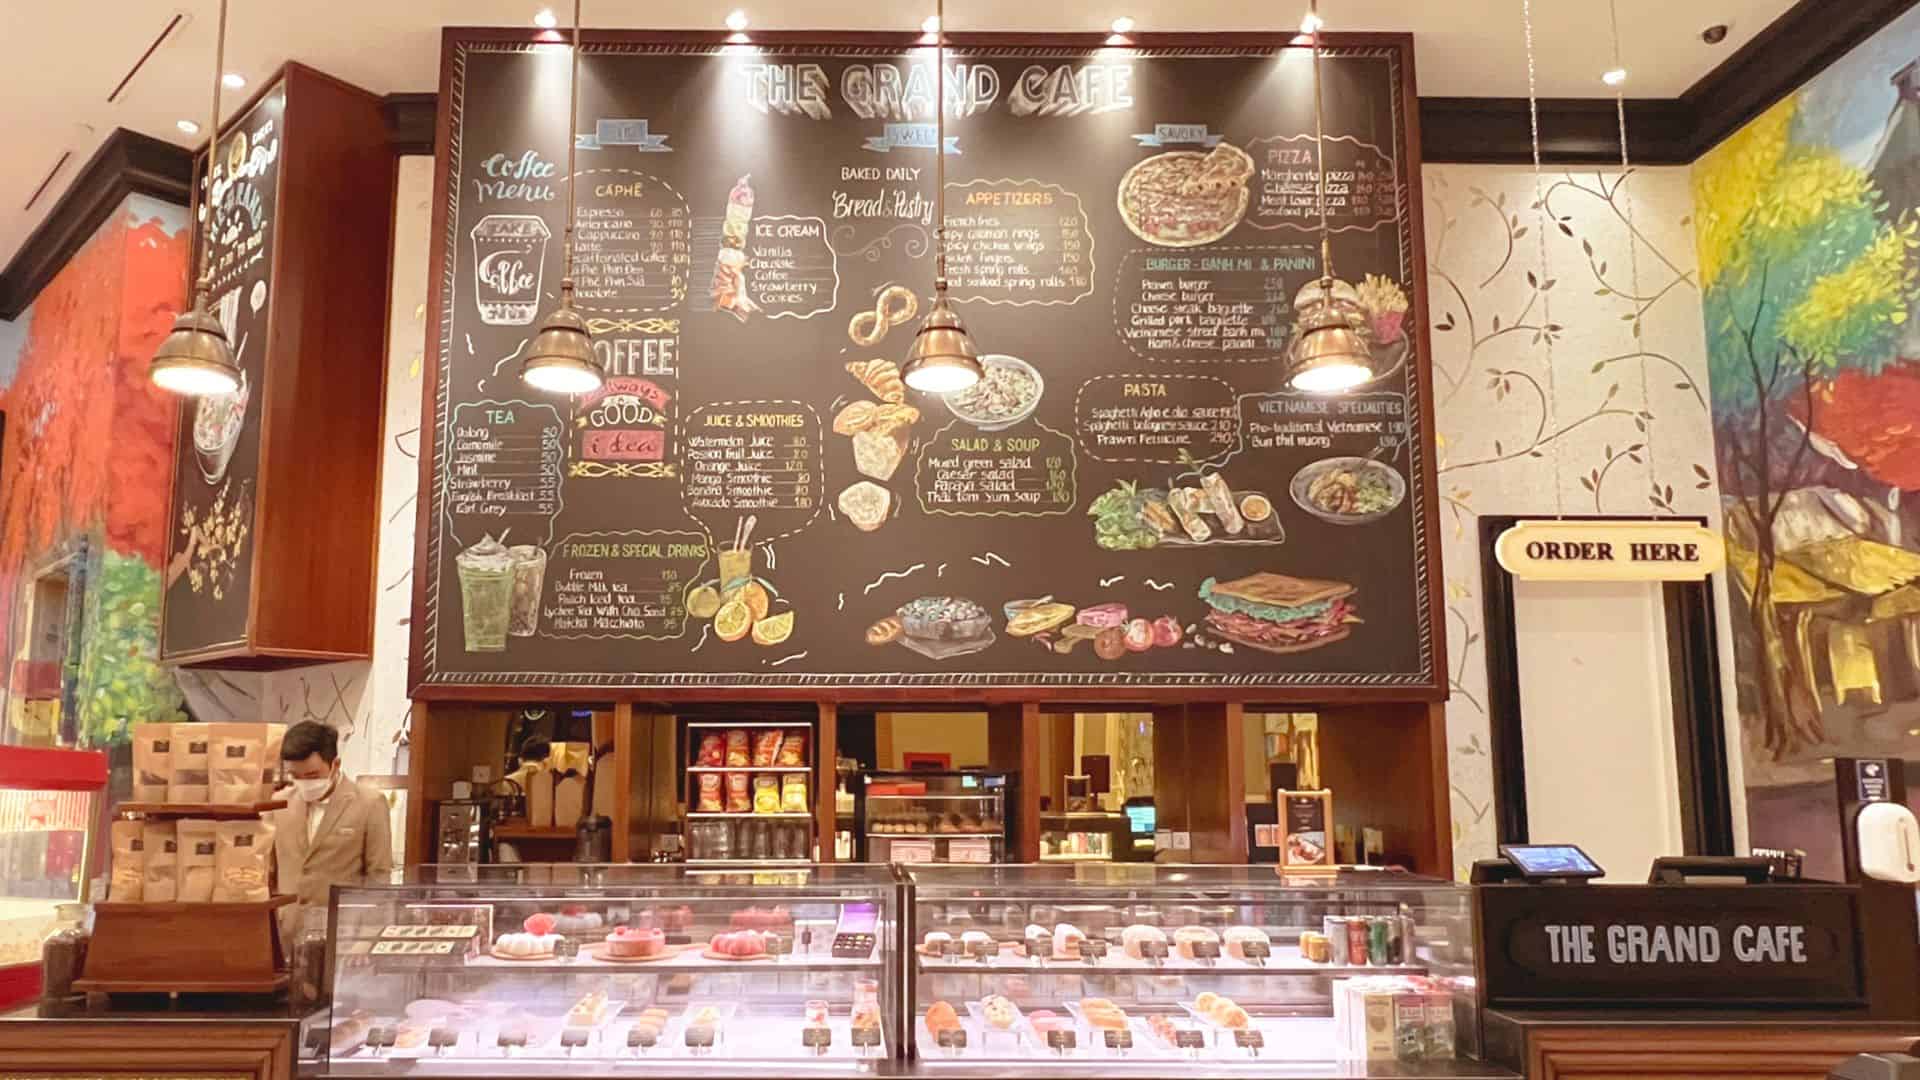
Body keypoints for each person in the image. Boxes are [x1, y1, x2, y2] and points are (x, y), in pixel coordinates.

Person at [274, 721, 393, 930]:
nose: (304, 783)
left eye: (312, 776)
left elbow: (379, 877)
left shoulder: (369, 803)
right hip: (287, 931)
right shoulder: (278, 804)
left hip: (342, 933)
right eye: (295, 776)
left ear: (335, 765)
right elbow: (268, 875)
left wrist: (369, 935)